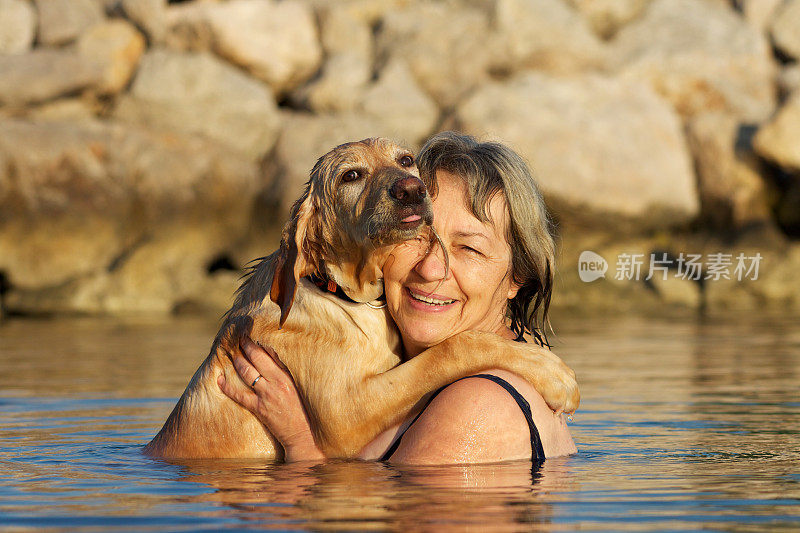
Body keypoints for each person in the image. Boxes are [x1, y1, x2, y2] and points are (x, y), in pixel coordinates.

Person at [217, 132, 577, 464]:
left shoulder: (475, 409)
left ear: (518, 278)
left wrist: (302, 446)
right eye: (416, 236)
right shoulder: (522, 366)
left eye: (470, 249)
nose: (432, 269)